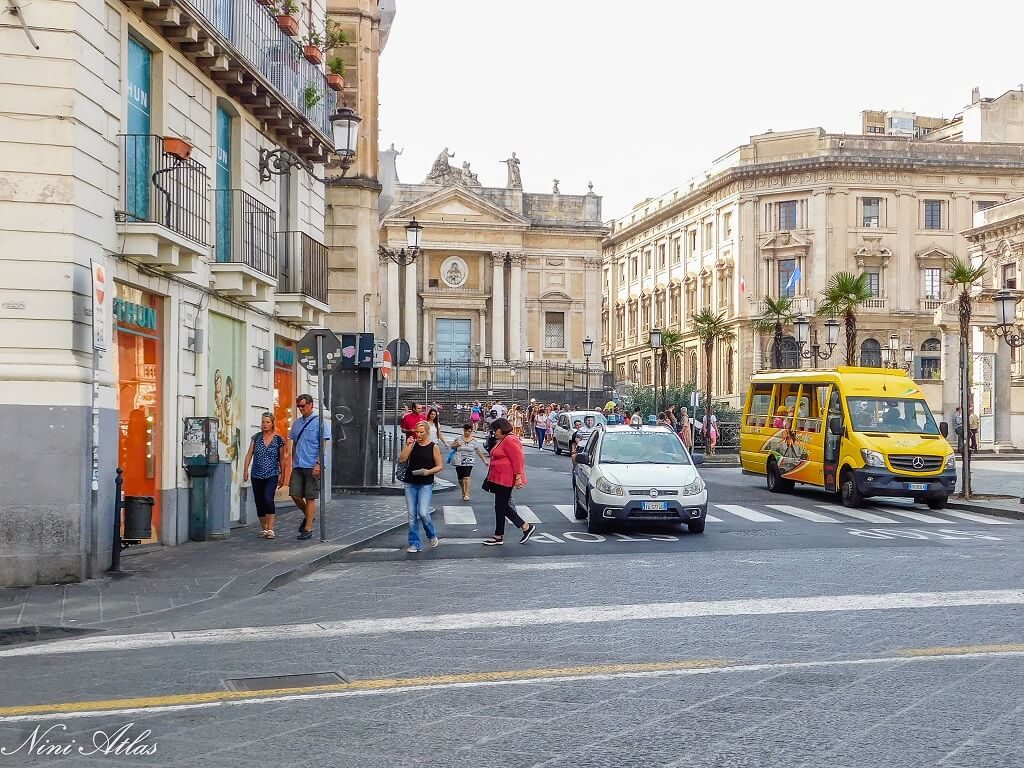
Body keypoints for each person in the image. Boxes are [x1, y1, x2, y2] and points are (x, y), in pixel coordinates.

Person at [481, 417, 536, 546]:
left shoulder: (510, 440)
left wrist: (518, 477)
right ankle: (502, 534)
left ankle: (524, 527)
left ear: (501, 428)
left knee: (501, 506)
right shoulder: (503, 439)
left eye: (495, 429)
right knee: (501, 506)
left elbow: (518, 460)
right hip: (499, 477)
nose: (494, 432)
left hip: (506, 478)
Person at [397, 422, 443, 553]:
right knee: (412, 515)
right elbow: (402, 459)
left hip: (426, 483)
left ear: (427, 432)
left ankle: (431, 534)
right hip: (410, 482)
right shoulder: (413, 444)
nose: (419, 434)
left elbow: (439, 466)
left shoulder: (433, 447)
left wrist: (428, 471)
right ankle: (414, 543)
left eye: (422, 432)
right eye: (417, 432)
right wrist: (408, 446)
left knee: (423, 513)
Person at [289, 394, 329, 540]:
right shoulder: (297, 423)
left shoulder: (320, 422)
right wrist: (293, 461)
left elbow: (323, 445)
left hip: (312, 464)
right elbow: (294, 443)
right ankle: (309, 516)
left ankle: (308, 529)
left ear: (311, 405)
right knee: (295, 494)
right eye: (298, 406)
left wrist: (319, 463)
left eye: (303, 406)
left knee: (310, 496)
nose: (300, 409)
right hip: (298, 464)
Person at [243, 412, 287, 539]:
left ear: (272, 423)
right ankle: (264, 528)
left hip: (272, 474)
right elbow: (249, 454)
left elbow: (282, 459)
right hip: (256, 474)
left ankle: (271, 528)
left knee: (268, 498)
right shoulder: (256, 438)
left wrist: (282, 474)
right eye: (263, 422)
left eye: (267, 422)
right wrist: (245, 471)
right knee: (259, 501)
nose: (265, 424)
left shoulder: (278, 440)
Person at [451, 422, 490, 501]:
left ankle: (467, 493)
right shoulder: (458, 438)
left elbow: (478, 451)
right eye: (466, 431)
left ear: (471, 431)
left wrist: (484, 461)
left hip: (469, 460)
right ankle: (463, 490)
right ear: (463, 430)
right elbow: (452, 446)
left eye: (469, 431)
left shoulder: (474, 441)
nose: (467, 433)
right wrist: (457, 444)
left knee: (466, 476)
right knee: (460, 478)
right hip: (459, 460)